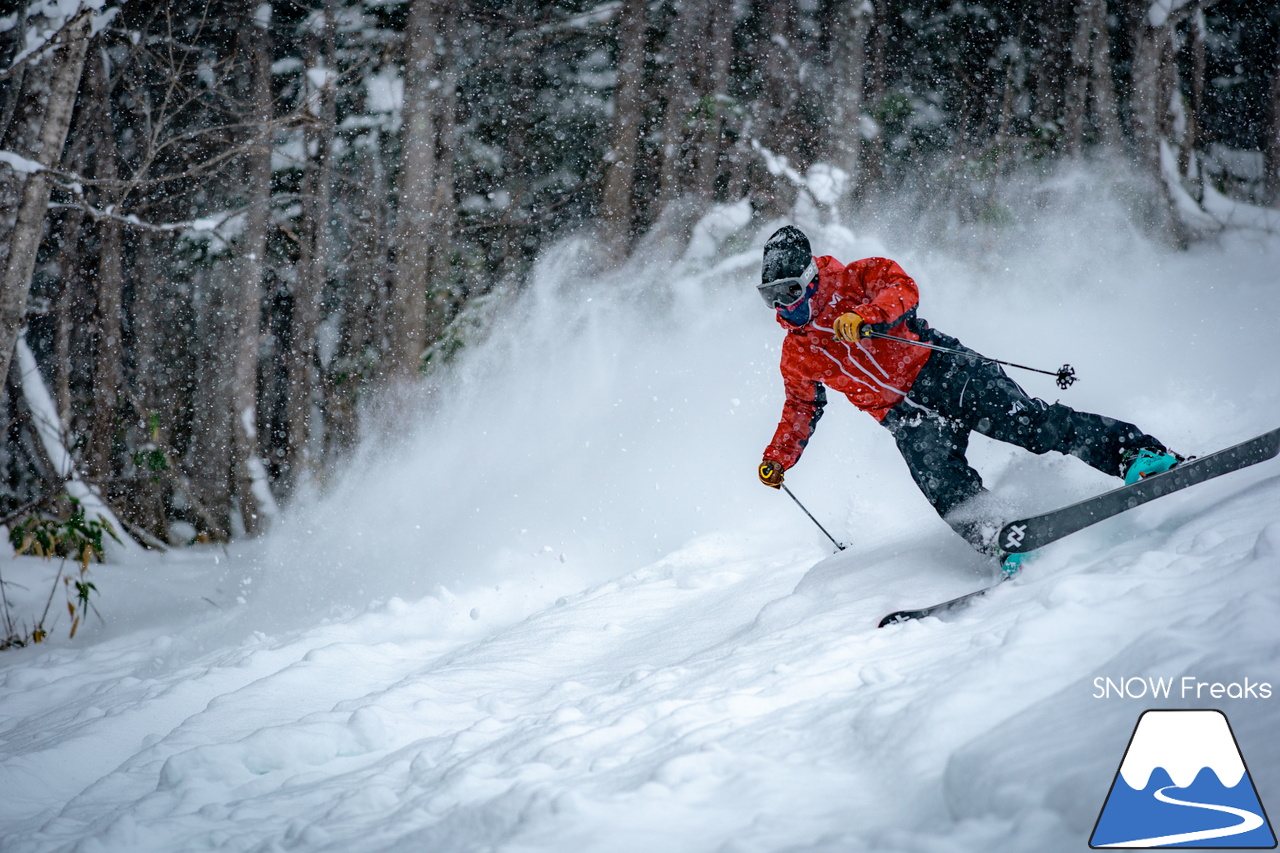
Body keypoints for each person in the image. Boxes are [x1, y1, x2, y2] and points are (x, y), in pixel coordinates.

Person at [755, 225, 1180, 575]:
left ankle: (1136, 454)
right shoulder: (797, 353)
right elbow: (801, 409)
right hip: (905, 416)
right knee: (942, 484)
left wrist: (866, 315)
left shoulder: (858, 277)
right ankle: (1004, 536)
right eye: (769, 296)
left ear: (810, 277)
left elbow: (902, 288)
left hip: (944, 373)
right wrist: (779, 457)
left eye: (788, 290)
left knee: (1031, 426)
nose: (782, 305)